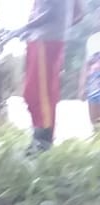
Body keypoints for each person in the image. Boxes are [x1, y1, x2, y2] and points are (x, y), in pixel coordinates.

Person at [21, 0, 85, 153]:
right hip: (41, 37)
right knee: (34, 91)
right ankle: (39, 138)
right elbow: (77, 12)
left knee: (40, 92)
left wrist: (28, 27)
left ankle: (43, 141)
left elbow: (52, 12)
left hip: (46, 38)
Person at [79, 32, 100, 128]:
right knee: (96, 121)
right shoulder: (93, 39)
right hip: (94, 82)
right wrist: (82, 87)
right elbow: (86, 64)